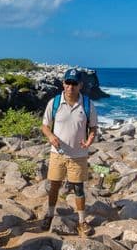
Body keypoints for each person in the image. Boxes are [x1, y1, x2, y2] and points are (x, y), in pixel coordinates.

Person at [40, 68, 98, 236]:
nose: (70, 87)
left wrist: (89, 140)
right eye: (68, 82)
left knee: (78, 188)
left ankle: (82, 221)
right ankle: (50, 215)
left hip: (78, 155)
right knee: (54, 186)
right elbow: (44, 125)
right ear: (63, 83)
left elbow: (93, 127)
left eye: (74, 83)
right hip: (57, 153)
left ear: (80, 85)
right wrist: (50, 135)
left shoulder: (87, 104)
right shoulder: (55, 102)